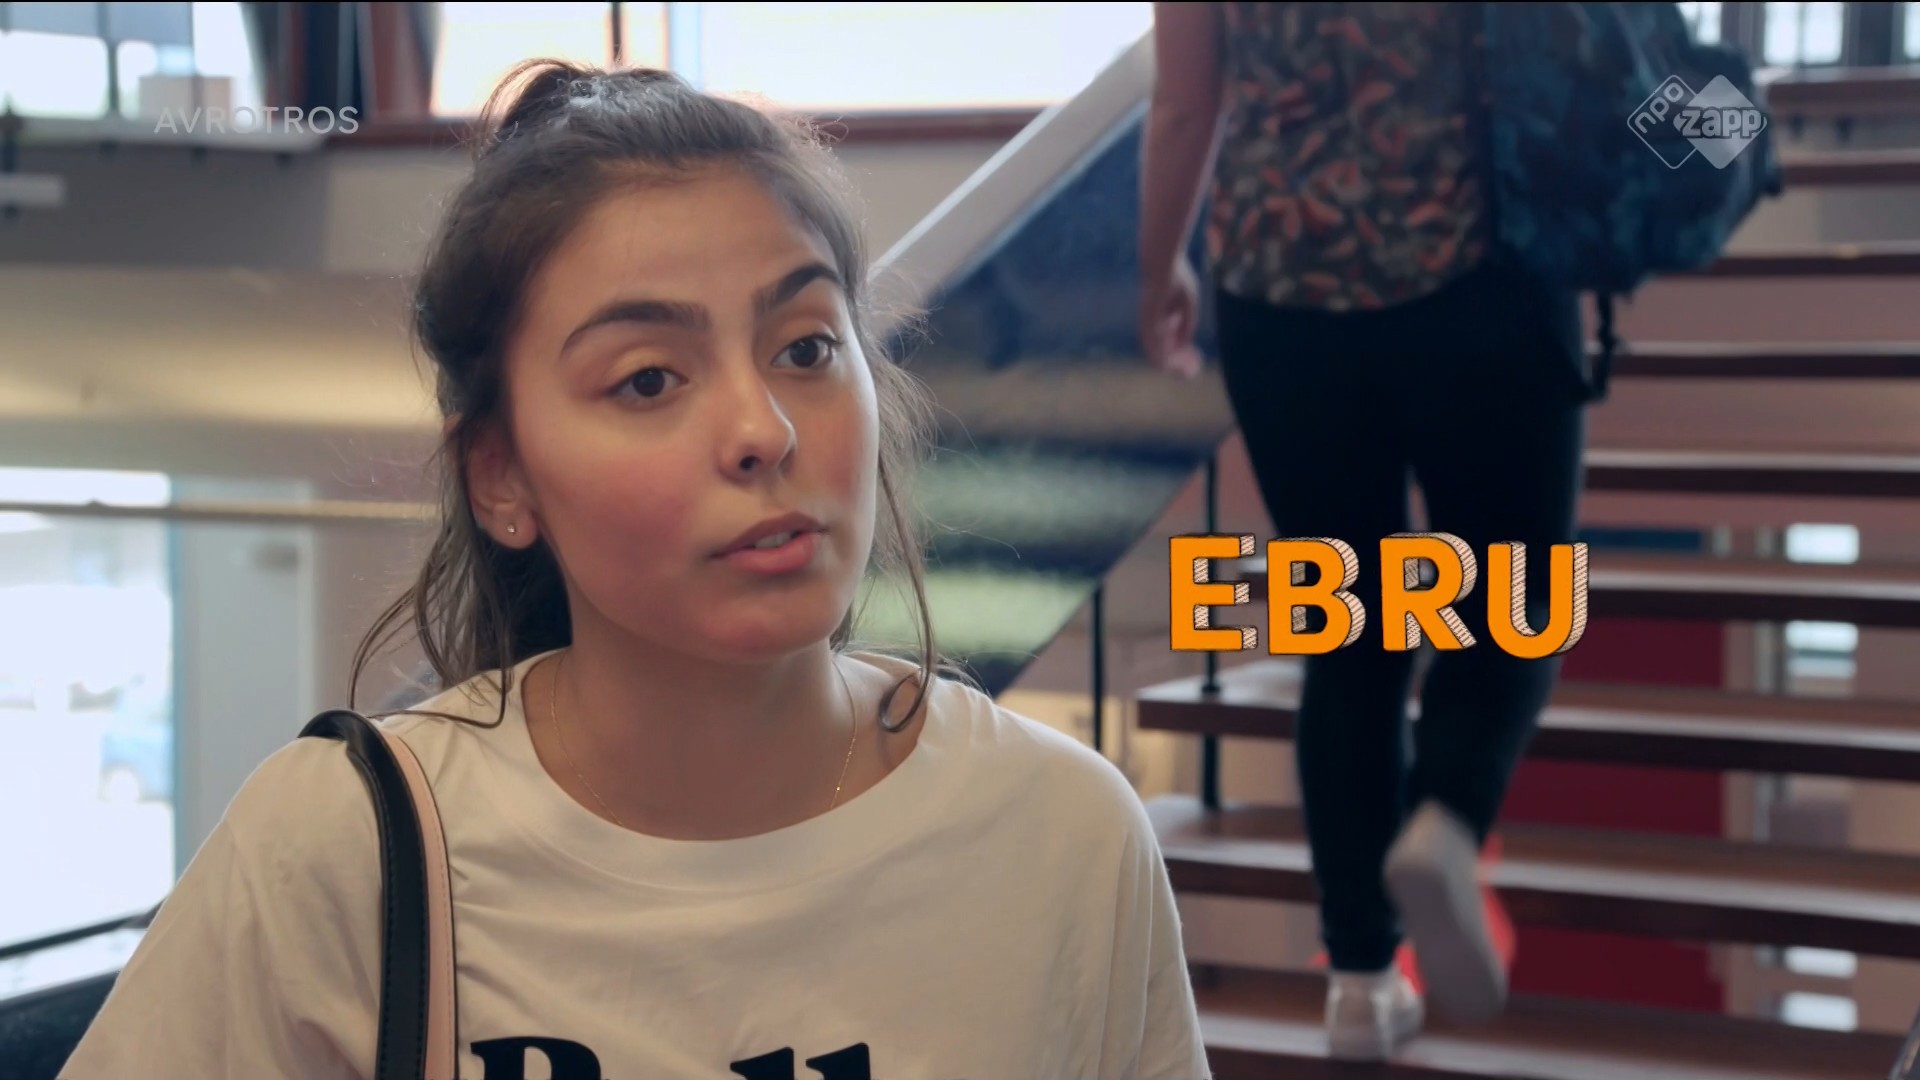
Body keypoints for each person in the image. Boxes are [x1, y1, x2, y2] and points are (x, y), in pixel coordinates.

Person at [63, 61, 1212, 1080]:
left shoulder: (1061, 833)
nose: (762, 429)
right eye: (649, 379)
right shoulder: (341, 848)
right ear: (501, 476)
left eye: (806, 348)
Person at [1138, 1, 1589, 1063]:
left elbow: (1184, 103)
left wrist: (1159, 272)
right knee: (1520, 592)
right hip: (1481, 269)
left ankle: (1359, 981)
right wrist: (1703, 156)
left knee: (1349, 634)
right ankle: (1447, 817)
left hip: (1280, 291)